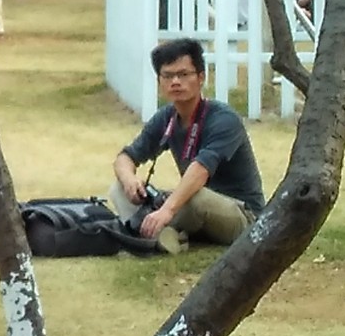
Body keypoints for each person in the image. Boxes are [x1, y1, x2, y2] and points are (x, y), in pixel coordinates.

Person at [109, 38, 264, 250]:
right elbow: (125, 157)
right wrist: (129, 181)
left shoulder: (224, 119)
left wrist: (167, 209)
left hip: (240, 215)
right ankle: (165, 236)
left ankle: (159, 234)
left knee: (194, 196)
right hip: (193, 208)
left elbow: (201, 170)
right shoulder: (167, 117)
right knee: (118, 189)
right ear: (159, 81)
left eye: (183, 74)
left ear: (201, 78)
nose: (175, 82)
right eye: (168, 75)